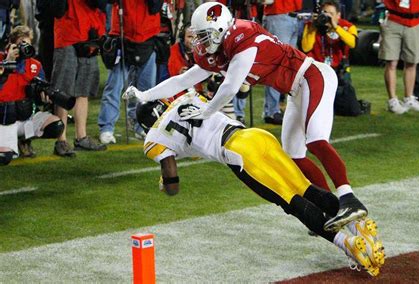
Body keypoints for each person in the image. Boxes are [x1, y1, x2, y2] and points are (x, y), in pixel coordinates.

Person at [124, 2, 369, 232]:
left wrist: (208, 110)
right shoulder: (219, 49)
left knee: (315, 139)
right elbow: (183, 80)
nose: (199, 42)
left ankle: (349, 198)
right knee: (295, 155)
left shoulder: (244, 37)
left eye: (203, 35)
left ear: (220, 29)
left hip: (312, 76)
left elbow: (230, 87)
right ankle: (330, 209)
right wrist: (145, 95)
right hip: (295, 89)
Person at [138, 92, 385, 277]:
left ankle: (349, 244)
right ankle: (359, 226)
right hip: (256, 136)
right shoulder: (187, 96)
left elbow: (172, 183)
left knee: (292, 202)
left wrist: (166, 182)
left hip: (237, 153)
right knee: (306, 188)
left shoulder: (153, 137)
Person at [97, 0, 162, 145]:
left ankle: (142, 125)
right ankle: (106, 128)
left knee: (146, 89)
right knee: (115, 86)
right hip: (122, 35)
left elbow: (155, 6)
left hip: (148, 35)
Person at [0, 25, 64, 165]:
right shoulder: (1, 60)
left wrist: (43, 97)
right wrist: (8, 62)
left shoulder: (35, 65)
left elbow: (40, 93)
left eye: (27, 45)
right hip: (4, 118)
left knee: (56, 125)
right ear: (11, 45)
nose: (25, 49)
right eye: (21, 44)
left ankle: (24, 140)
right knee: (5, 158)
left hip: (25, 116)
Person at [51, 0, 107, 157]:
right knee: (62, 92)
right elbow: (56, 9)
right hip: (68, 35)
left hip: (90, 34)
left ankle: (81, 137)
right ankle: (61, 140)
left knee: (84, 91)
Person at [302, 0, 370, 116]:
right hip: (317, 70)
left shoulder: (348, 26)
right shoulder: (311, 26)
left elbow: (352, 43)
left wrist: (335, 27)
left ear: (338, 15)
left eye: (331, 14)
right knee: (318, 107)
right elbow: (306, 47)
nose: (327, 16)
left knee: (351, 109)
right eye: (324, 12)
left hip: (338, 71)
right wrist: (314, 27)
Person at [379, 0, 419, 114]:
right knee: (391, 62)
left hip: (415, 21)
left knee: (412, 62)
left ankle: (409, 97)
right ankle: (392, 100)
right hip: (393, 19)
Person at [261, 0, 302, 125]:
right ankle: (271, 111)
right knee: (277, 65)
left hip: (294, 17)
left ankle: (276, 108)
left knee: (289, 66)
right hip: (278, 17)